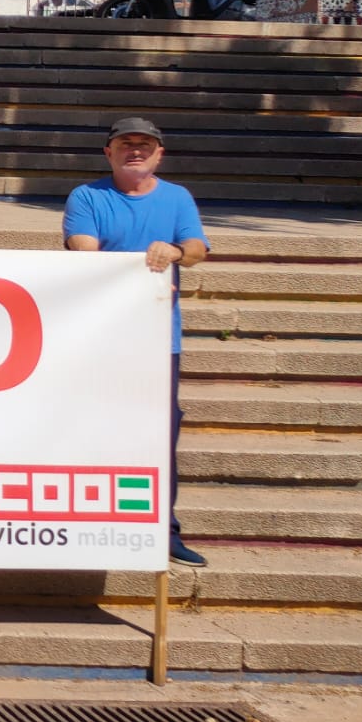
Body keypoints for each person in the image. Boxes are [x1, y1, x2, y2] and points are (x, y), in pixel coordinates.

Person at [62, 117, 211, 568]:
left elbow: (199, 248)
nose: (135, 151)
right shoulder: (87, 197)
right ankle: (85, 525)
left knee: (160, 435)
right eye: (125, 144)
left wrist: (177, 252)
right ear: (108, 152)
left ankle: (164, 530)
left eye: (145, 145)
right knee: (91, 426)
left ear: (159, 154)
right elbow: (83, 248)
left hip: (157, 340)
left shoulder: (177, 197)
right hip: (99, 338)